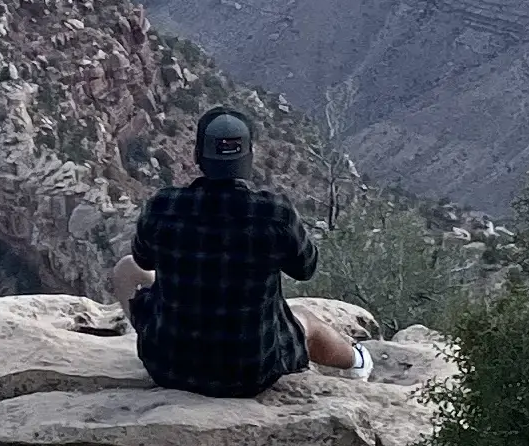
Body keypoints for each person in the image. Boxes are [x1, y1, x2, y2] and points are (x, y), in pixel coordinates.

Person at [126, 109, 360, 396]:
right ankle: (360, 362)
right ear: (249, 156)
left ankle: (156, 342)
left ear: (198, 155)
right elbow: (306, 268)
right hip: (251, 372)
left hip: (168, 368)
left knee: (125, 270)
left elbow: (142, 260)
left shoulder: (162, 206)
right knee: (306, 321)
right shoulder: (275, 213)